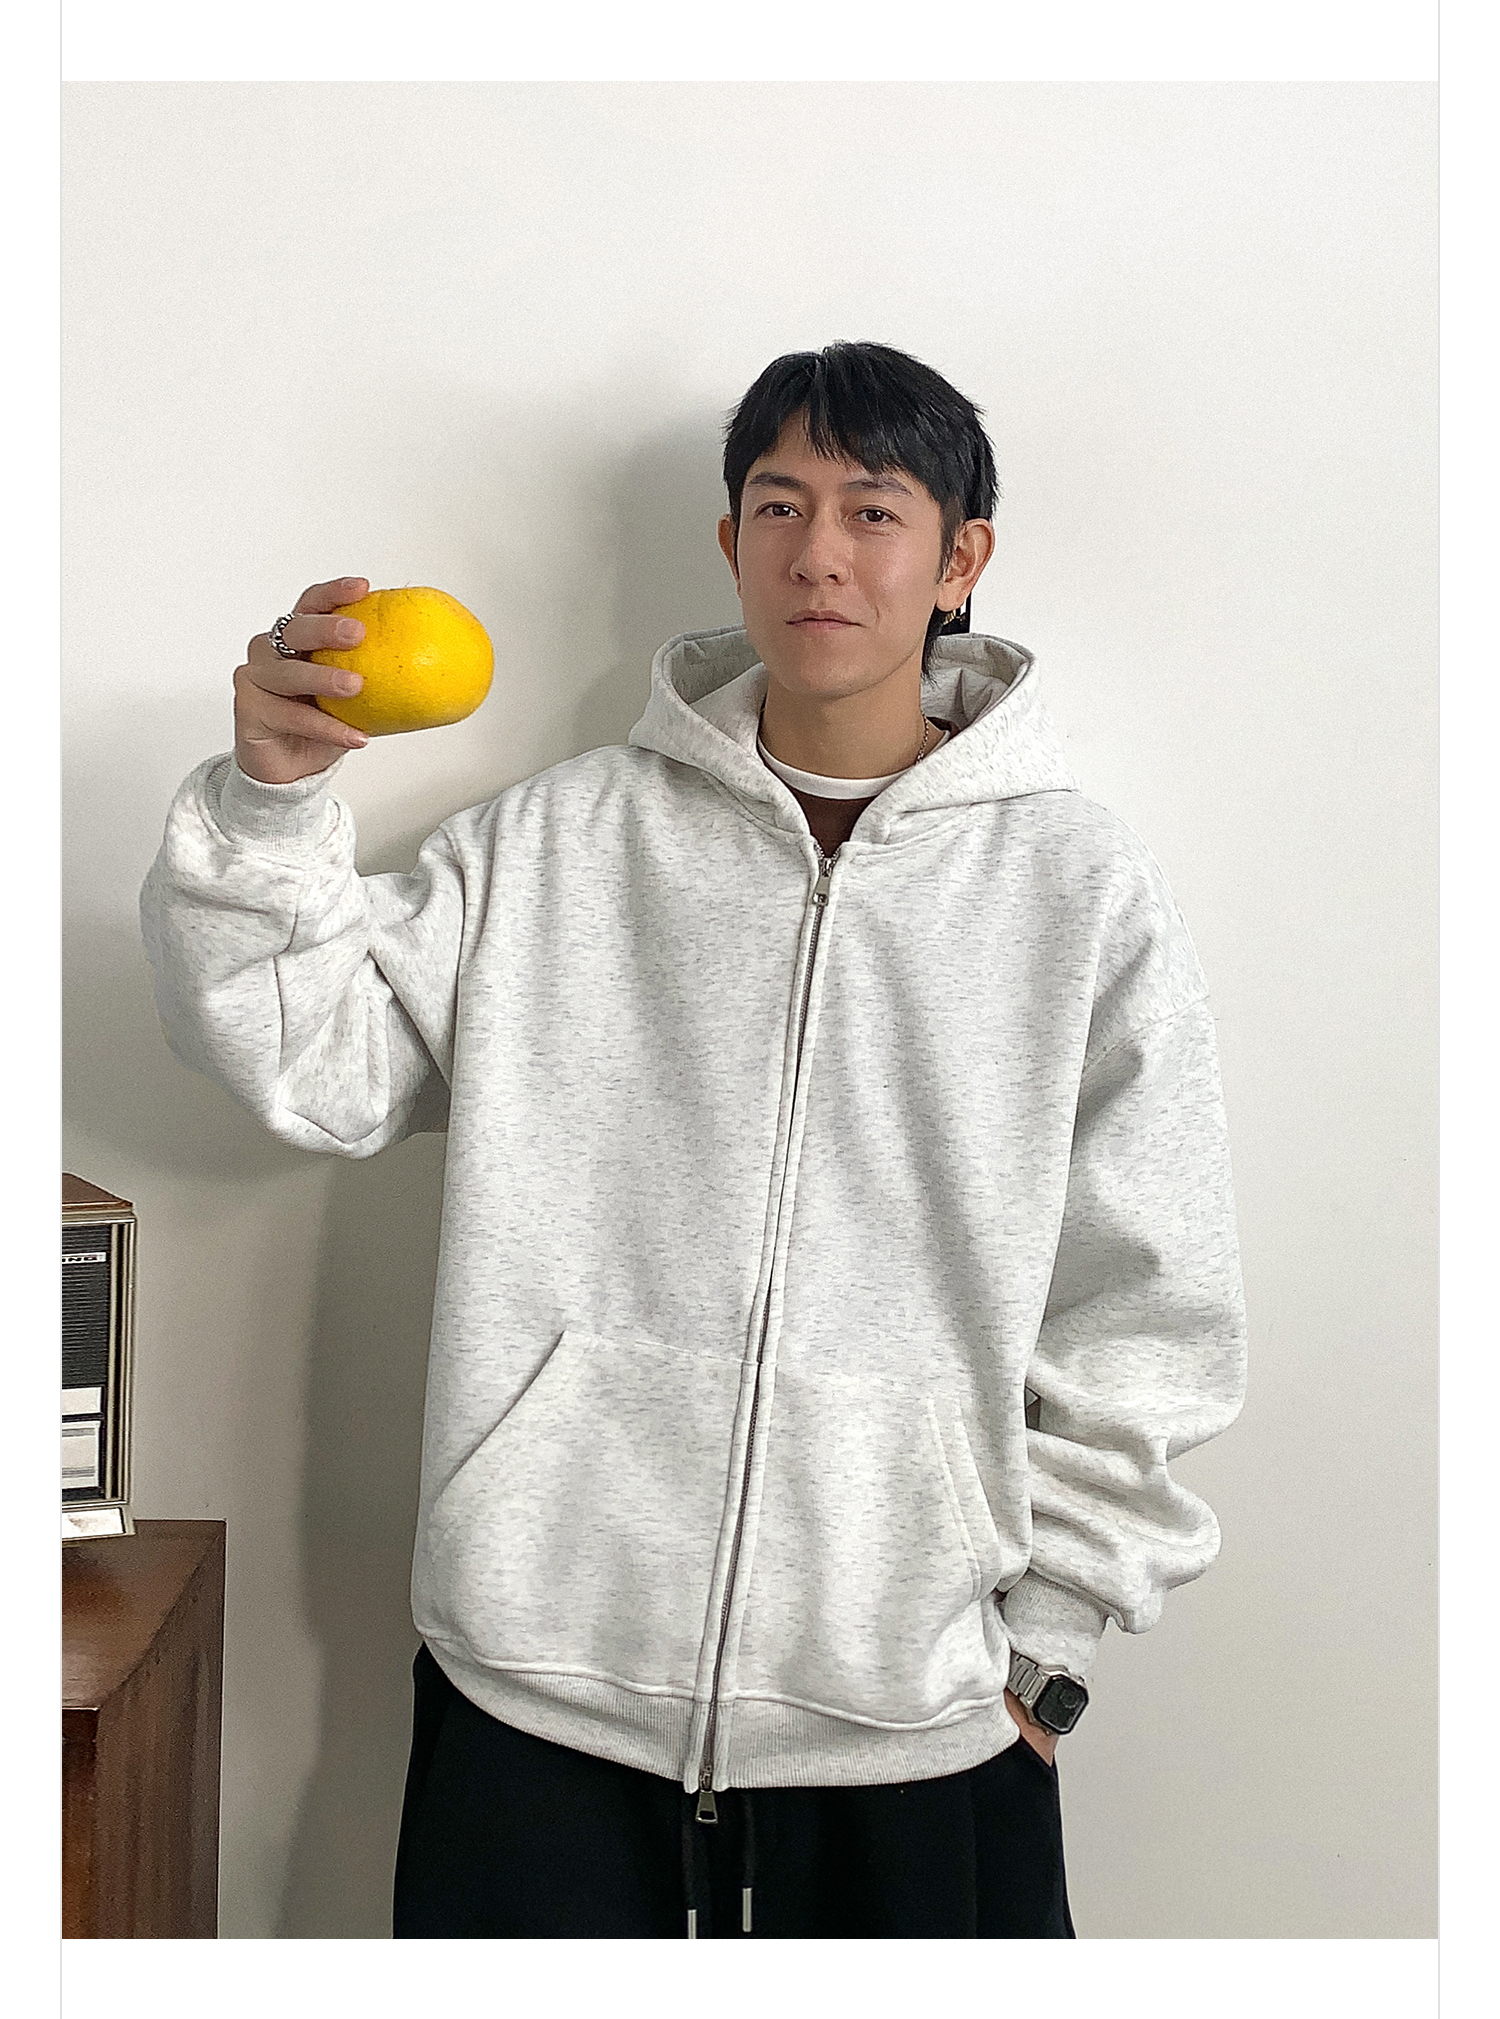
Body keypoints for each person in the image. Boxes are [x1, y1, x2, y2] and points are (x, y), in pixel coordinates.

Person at [139, 341, 1247, 1939]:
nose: (819, 553)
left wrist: (1051, 1644)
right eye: (778, 506)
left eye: (874, 511)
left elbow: (1153, 1295)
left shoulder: (1077, 891)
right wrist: (271, 800)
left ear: (961, 561)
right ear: (729, 543)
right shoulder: (560, 841)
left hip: (915, 1712)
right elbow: (312, 1064)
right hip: (536, 1696)